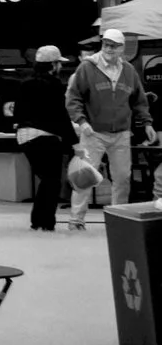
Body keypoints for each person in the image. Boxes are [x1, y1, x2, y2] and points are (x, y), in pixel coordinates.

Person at [66, 32, 151, 219]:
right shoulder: (87, 67)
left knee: (122, 178)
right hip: (93, 132)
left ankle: (118, 219)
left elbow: (139, 100)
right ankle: (76, 219)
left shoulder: (128, 71)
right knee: (85, 177)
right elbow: (73, 98)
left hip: (121, 133)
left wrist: (147, 123)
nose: (109, 49)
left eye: (113, 46)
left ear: (122, 48)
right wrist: (82, 121)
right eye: (106, 45)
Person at [11, 44, 74, 235]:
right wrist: (73, 141)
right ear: (53, 65)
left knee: (46, 179)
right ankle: (45, 222)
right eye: (58, 63)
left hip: (24, 137)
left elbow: (17, 112)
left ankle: (39, 220)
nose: (60, 67)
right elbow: (60, 115)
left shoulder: (24, 83)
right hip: (46, 137)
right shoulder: (54, 85)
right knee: (52, 180)